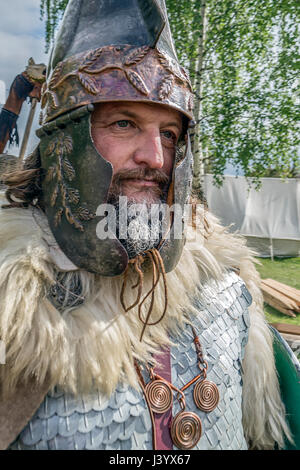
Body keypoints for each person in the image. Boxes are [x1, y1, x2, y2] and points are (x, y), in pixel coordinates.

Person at [0, 0, 299, 451]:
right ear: (64, 139)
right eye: (124, 123)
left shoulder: (224, 293)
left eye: (169, 133)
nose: (155, 157)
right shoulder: (13, 316)